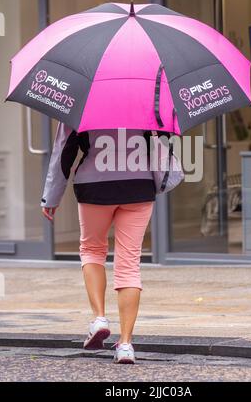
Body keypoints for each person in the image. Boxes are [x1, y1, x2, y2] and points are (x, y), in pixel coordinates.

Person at [41, 122, 165, 364]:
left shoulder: (82, 97)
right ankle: (126, 345)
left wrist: (51, 195)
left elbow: (64, 150)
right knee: (129, 264)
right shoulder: (150, 98)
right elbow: (160, 143)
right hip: (138, 185)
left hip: (94, 186)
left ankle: (99, 318)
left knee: (92, 250)